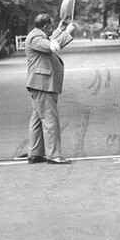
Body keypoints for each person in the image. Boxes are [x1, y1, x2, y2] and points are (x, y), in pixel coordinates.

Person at [24, 13, 76, 164]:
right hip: (43, 85)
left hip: (40, 84)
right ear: (45, 27)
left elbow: (50, 39)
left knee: (37, 120)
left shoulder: (38, 35)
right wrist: (68, 33)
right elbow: (52, 46)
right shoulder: (35, 37)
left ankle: (35, 153)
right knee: (50, 120)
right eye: (51, 26)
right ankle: (54, 155)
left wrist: (60, 30)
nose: (52, 28)